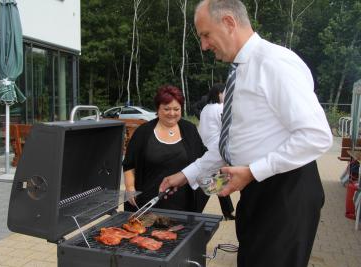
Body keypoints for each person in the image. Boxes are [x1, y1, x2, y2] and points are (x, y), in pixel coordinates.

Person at [160, 1, 333, 267]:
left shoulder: (274, 63)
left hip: (286, 194)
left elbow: (316, 135)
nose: (204, 45)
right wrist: (186, 175)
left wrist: (253, 171)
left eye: (206, 35)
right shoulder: (239, 72)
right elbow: (229, 144)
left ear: (229, 22)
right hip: (258, 190)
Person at [123, 85, 208, 213]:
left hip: (185, 204)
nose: (172, 113)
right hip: (149, 203)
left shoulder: (189, 129)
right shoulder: (143, 132)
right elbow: (129, 164)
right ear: (158, 109)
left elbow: (203, 159)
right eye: (166, 109)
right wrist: (130, 188)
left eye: (176, 109)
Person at [199, 83, 235, 220]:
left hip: (206, 147)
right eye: (224, 93)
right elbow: (228, 128)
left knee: (218, 181)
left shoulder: (205, 108)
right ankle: (195, 209)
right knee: (209, 183)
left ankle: (227, 212)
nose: (226, 95)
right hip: (216, 149)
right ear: (218, 93)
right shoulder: (220, 108)